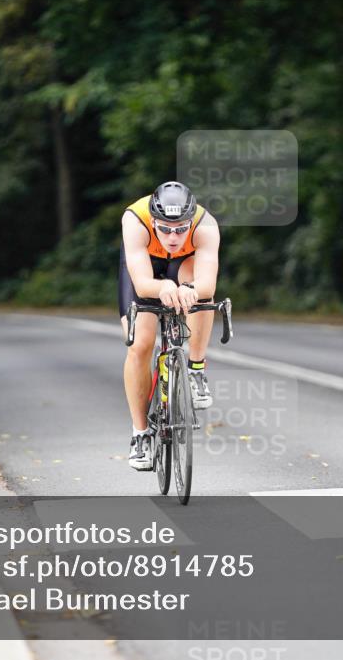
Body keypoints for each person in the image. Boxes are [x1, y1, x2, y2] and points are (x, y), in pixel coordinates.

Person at [118, 181, 220, 470]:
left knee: (201, 295)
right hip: (145, 269)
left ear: (191, 221)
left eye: (180, 229)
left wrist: (191, 289)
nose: (173, 236)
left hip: (183, 266)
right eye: (164, 228)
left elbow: (207, 281)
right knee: (140, 344)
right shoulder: (135, 220)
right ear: (153, 222)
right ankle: (140, 435)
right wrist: (162, 287)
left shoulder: (205, 225)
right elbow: (141, 282)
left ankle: (196, 369)